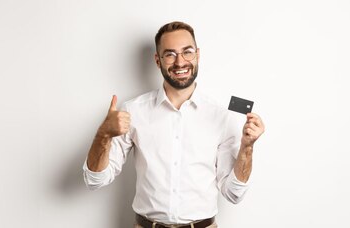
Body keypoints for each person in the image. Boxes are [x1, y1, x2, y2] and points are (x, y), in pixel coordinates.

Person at [83, 21, 265, 228]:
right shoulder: (133, 110)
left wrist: (247, 147)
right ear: (158, 61)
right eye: (169, 54)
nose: (180, 62)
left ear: (197, 54)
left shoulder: (222, 115)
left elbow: (234, 193)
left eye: (187, 52)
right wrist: (103, 135)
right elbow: (94, 180)